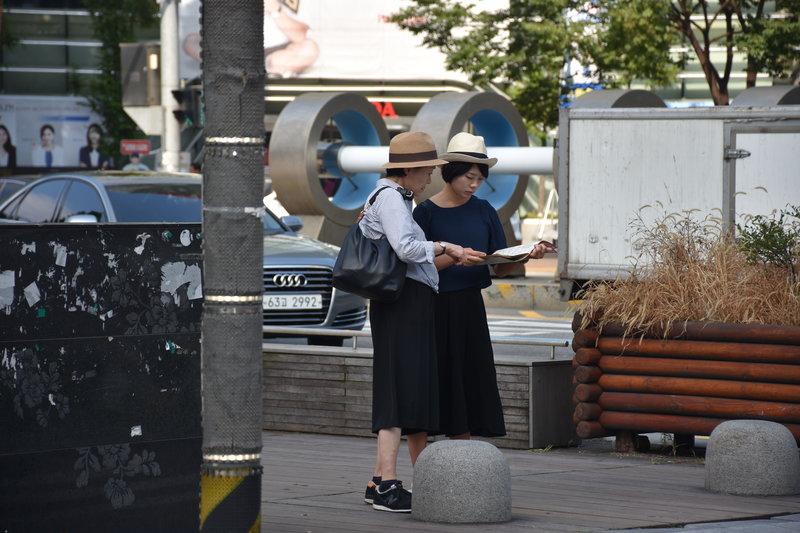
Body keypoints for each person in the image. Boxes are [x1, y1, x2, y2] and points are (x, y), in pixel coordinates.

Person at [413, 132, 554, 441]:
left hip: (471, 307)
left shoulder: (484, 210)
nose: (475, 185)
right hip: (433, 308)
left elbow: (500, 265)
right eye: (469, 177)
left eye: (480, 179)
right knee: (434, 384)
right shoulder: (425, 212)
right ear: (451, 173)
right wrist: (455, 256)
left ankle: (462, 458)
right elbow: (417, 267)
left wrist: (526, 255)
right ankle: (423, 464)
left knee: (468, 383)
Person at [360, 131, 473, 513]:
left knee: (396, 386)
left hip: (399, 302)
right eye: (427, 170)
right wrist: (444, 246)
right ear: (409, 170)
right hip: (403, 303)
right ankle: (388, 485)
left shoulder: (390, 196)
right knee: (398, 389)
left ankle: (379, 480)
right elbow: (405, 248)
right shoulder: (392, 198)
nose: (430, 178)